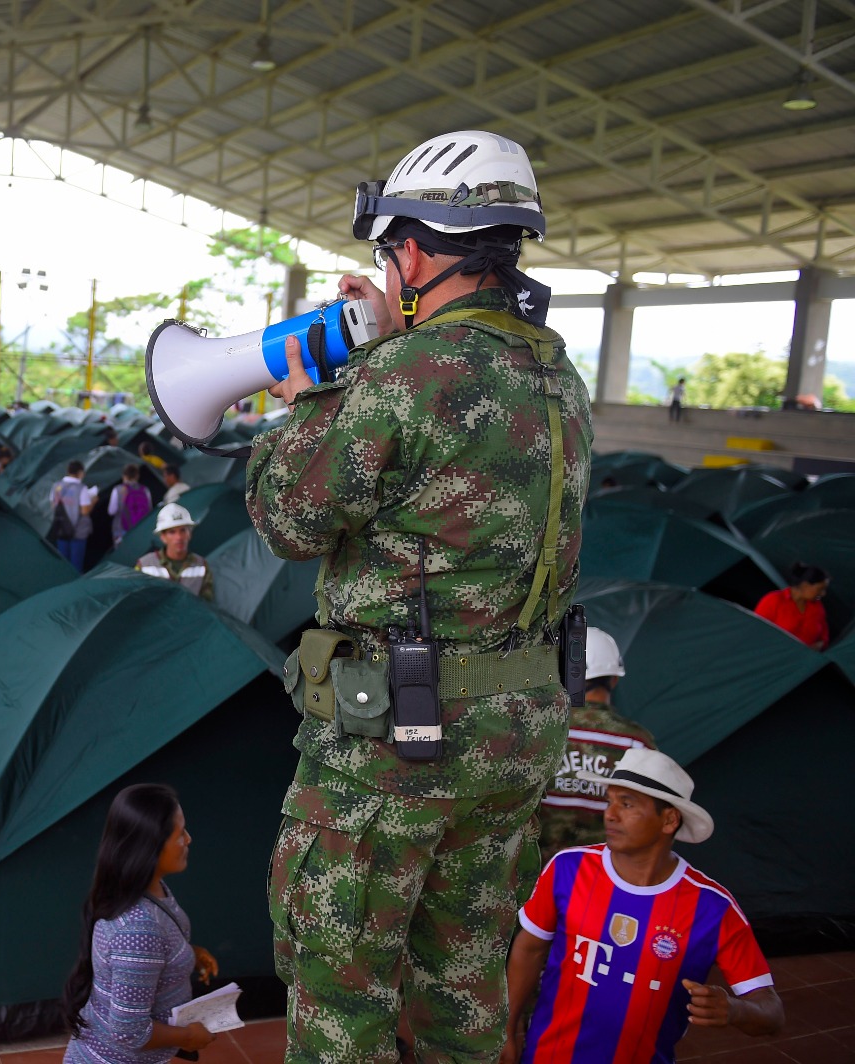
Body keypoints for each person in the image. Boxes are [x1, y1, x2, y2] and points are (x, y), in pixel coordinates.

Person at [249, 131, 591, 1062]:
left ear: (415, 250)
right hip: (516, 728)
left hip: (401, 735)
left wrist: (311, 395)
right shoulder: (557, 372)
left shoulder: (402, 375)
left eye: (390, 252)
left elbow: (290, 516)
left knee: (339, 994)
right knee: (465, 985)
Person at [503, 749, 783, 1064]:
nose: (610, 814)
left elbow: (771, 1012)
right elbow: (529, 950)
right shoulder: (568, 868)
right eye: (610, 801)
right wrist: (507, 1030)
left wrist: (736, 1010)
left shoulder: (713, 908)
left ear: (669, 820)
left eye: (627, 804)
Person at [60, 784, 219, 1064]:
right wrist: (188, 1037)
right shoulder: (138, 929)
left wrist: (189, 954)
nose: (189, 839)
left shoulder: (146, 889)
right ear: (150, 845)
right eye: (180, 833)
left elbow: (153, 954)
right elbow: (128, 1033)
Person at [538, 628, 657, 860]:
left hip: (532, 878)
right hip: (600, 880)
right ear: (613, 679)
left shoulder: (539, 730)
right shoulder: (638, 742)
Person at [135, 505, 213, 603]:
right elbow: (137, 599)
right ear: (163, 537)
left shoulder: (202, 565)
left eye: (183, 530)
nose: (179, 537)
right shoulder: (144, 564)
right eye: (172, 532)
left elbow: (208, 605)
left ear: (190, 534)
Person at [753, 562, 830, 650]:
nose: (823, 594)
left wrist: (816, 647)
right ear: (805, 585)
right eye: (820, 589)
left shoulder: (817, 607)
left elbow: (824, 638)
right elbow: (757, 631)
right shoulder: (774, 600)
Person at [50, 460, 97, 570]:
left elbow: (54, 506)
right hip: (78, 531)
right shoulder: (82, 488)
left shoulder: (56, 486)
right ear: (80, 472)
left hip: (61, 528)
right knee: (76, 564)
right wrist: (94, 501)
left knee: (63, 562)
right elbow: (85, 511)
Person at [107, 465, 153, 548]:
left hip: (121, 530)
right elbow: (150, 509)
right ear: (137, 476)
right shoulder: (145, 490)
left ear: (124, 476)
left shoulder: (118, 489)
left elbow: (111, 511)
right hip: (140, 529)